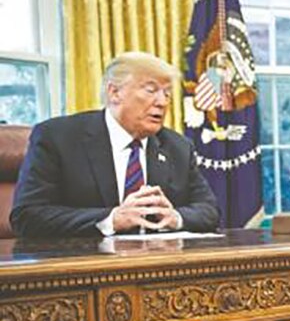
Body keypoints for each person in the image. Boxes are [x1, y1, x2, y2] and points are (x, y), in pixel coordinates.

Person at [11, 51, 220, 237]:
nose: (162, 102)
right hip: (82, 268)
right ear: (114, 92)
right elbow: (27, 216)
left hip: (157, 266)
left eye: (166, 93)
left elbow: (210, 211)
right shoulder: (58, 138)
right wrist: (111, 219)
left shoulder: (178, 147)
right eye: (151, 90)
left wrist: (175, 217)